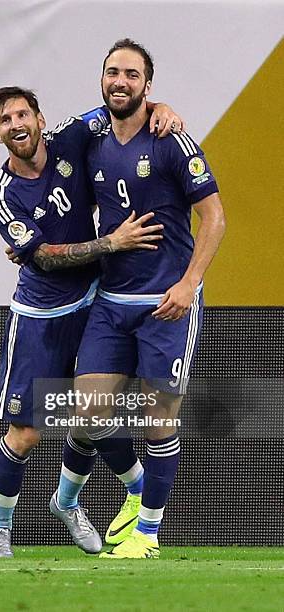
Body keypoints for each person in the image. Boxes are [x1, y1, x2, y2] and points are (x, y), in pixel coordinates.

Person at [0, 86, 183, 557]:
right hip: (41, 315)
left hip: (96, 300)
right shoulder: (2, 195)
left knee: (92, 411)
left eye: (22, 114)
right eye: (6, 119)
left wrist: (165, 109)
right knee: (27, 431)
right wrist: (111, 243)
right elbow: (47, 258)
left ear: (39, 117)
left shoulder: (71, 137)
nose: (16, 124)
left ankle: (69, 502)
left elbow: (125, 102)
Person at [70, 38, 226, 559]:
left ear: (148, 85)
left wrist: (189, 283)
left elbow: (215, 218)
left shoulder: (172, 142)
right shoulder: (91, 138)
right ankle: (137, 488)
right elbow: (42, 156)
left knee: (159, 419)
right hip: (111, 301)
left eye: (132, 75)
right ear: (102, 80)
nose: (120, 81)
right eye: (112, 72)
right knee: (88, 413)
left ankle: (149, 536)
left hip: (168, 301)